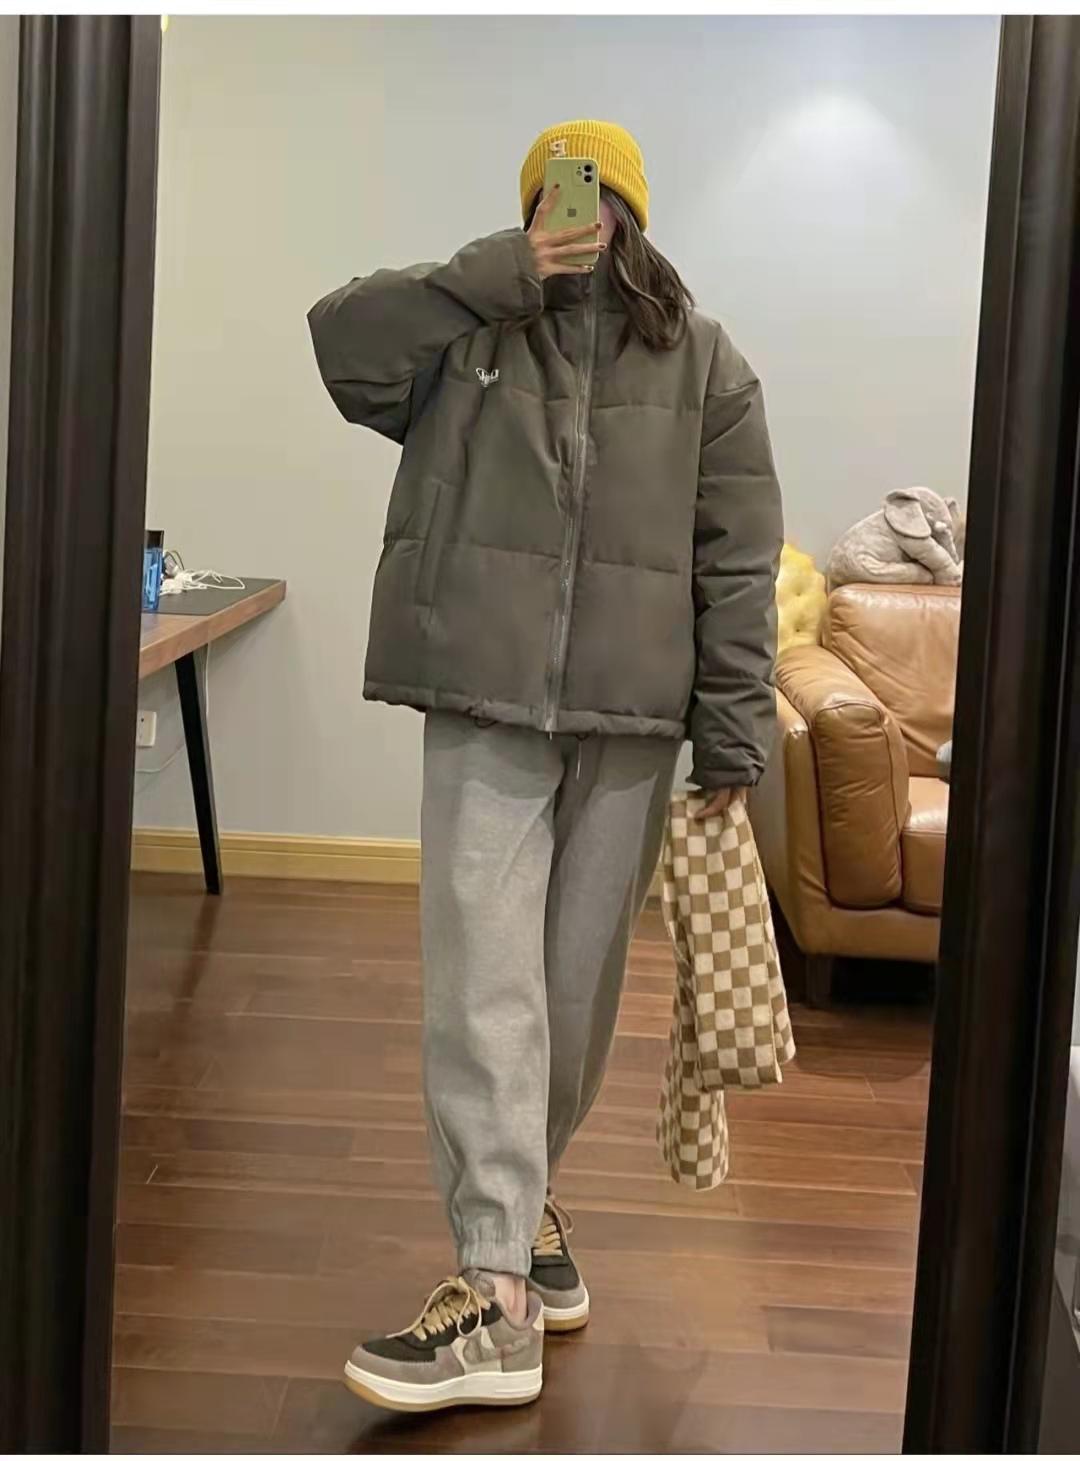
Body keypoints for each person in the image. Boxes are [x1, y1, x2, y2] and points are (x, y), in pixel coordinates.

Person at [308, 119, 783, 1413]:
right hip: (483, 692)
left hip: (632, 722)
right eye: (558, 195)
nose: (583, 212)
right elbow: (338, 342)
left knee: (573, 998)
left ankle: (524, 1215)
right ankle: (496, 1290)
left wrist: (733, 732)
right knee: (483, 983)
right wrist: (494, 272)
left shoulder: (706, 363)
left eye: (601, 192)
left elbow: (739, 557)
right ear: (531, 211)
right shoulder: (464, 335)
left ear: (636, 210)